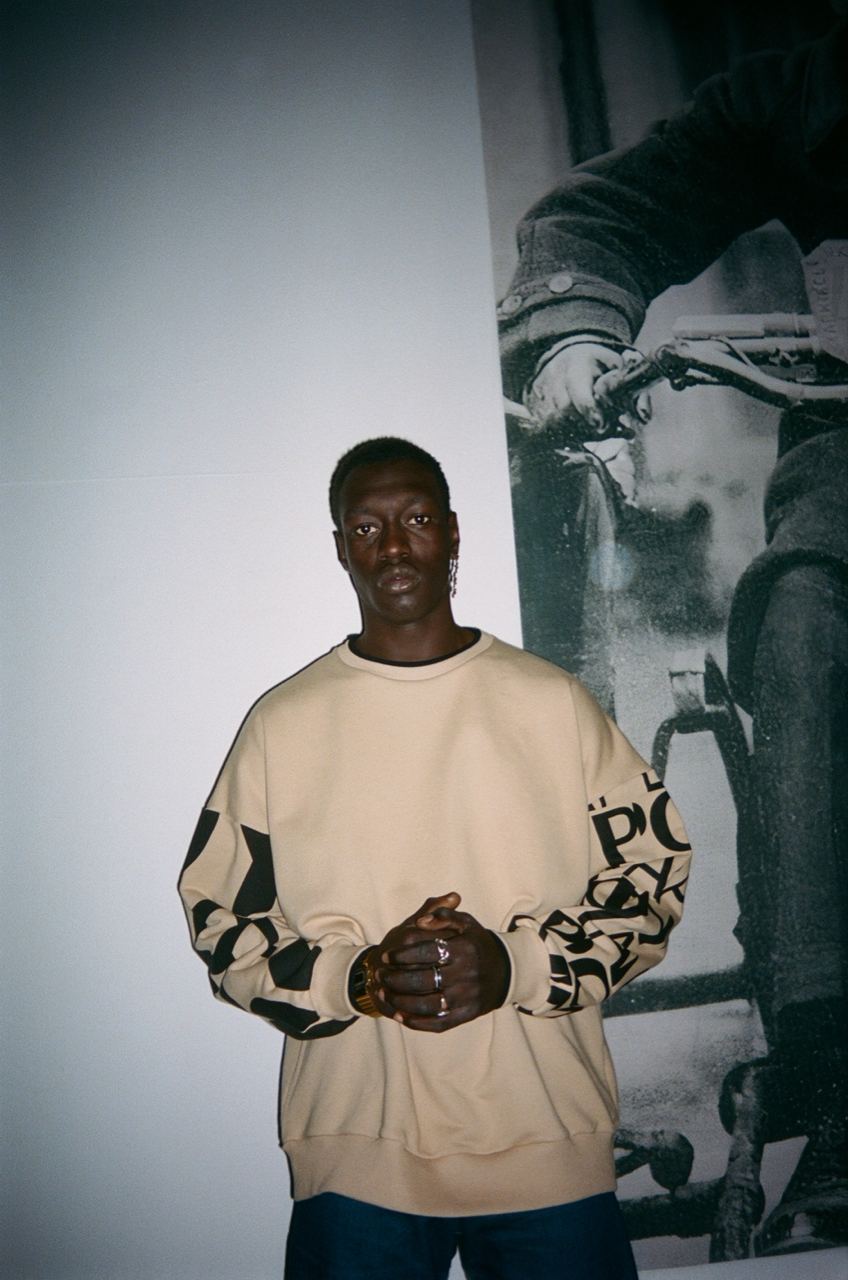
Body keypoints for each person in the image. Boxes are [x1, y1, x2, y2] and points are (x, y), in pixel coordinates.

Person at [497, 19, 847, 1256]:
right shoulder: (811, 84)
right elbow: (605, 214)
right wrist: (575, 334)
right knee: (802, 618)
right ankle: (833, 1076)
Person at [178, 436, 691, 1279]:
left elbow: (654, 878)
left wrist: (516, 965)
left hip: (547, 1144)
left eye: (416, 519)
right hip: (357, 1155)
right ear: (341, 548)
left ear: (453, 532)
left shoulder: (552, 705)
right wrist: (358, 979)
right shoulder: (283, 725)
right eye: (367, 527)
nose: (393, 546)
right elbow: (218, 917)